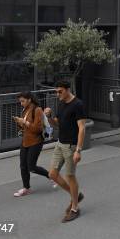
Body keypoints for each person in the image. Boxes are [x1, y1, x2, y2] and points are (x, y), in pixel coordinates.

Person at [44, 81, 87, 223]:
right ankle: (76, 195)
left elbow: (82, 128)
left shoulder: (77, 104)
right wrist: (49, 117)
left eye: (60, 91)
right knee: (52, 174)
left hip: (71, 146)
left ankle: (75, 208)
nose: (58, 94)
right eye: (56, 92)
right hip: (60, 144)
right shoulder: (61, 102)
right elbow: (56, 123)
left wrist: (78, 150)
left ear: (68, 90)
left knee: (70, 176)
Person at [12, 92, 50, 197]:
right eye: (20, 101)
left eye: (23, 101)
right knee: (23, 166)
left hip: (36, 141)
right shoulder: (25, 111)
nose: (21, 103)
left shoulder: (37, 110)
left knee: (31, 167)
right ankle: (26, 188)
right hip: (25, 141)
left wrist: (24, 123)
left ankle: (51, 175)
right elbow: (25, 128)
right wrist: (19, 123)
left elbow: (38, 129)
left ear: (29, 99)